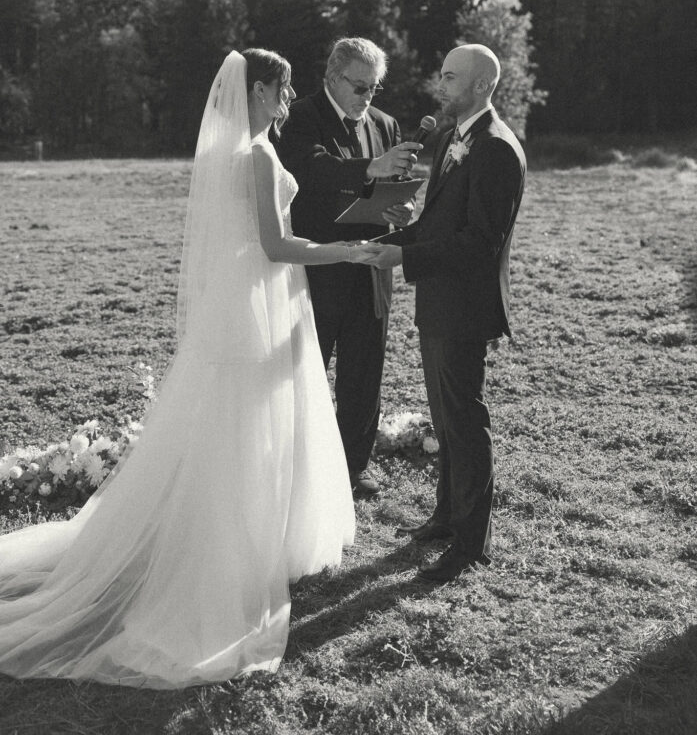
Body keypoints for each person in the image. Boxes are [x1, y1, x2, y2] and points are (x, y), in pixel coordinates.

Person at [0, 48, 373, 688]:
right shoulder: (254, 153)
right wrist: (348, 251)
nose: (288, 104)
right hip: (262, 291)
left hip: (258, 294)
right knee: (247, 423)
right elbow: (276, 243)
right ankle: (234, 547)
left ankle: (262, 536)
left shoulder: (243, 148)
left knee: (248, 419)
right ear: (256, 91)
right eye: (281, 93)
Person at [367, 44, 526, 582]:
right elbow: (440, 225)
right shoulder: (456, 138)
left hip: (465, 305)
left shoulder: (497, 149)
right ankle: (445, 517)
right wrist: (390, 236)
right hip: (439, 300)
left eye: (452, 76)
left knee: (464, 419)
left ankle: (471, 540)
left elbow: (480, 242)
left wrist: (405, 256)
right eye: (442, 72)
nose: (442, 85)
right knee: (445, 416)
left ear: (482, 86)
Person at [274, 37, 420, 498]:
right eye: (359, 87)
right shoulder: (299, 117)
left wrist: (402, 209)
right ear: (332, 78)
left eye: (374, 89)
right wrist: (371, 168)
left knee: (365, 372)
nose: (367, 99)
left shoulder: (385, 123)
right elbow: (311, 168)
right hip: (319, 265)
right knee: (305, 370)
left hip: (373, 265)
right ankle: (295, 466)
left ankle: (354, 468)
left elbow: (395, 187)